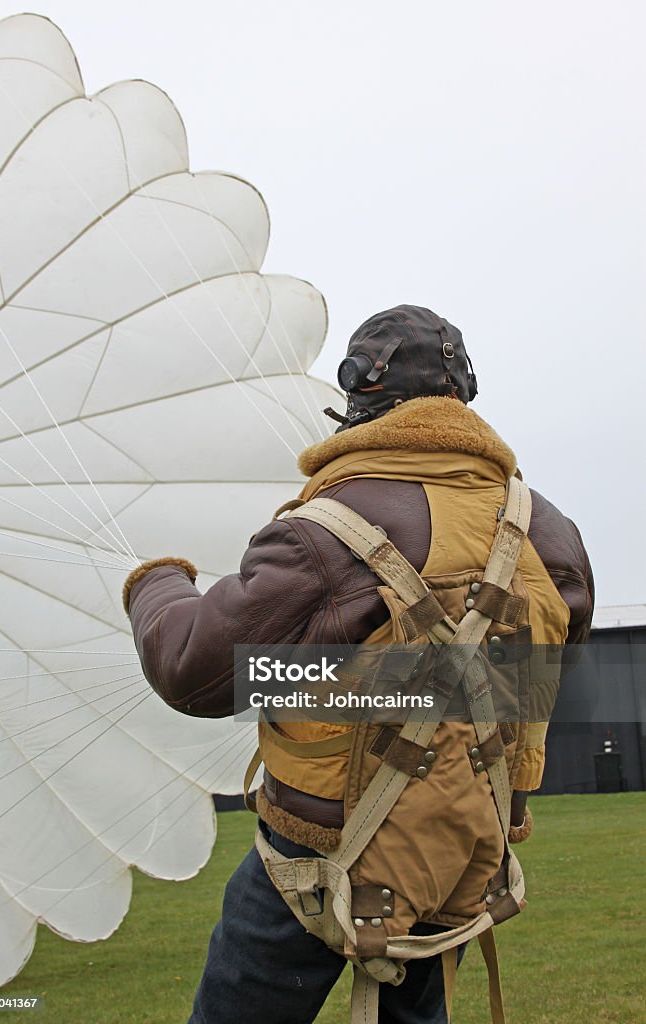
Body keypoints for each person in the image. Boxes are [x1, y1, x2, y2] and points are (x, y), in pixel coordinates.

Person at [123, 305, 594, 1024]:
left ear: (357, 397)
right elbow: (530, 676)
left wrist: (156, 581)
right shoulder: (549, 530)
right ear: (460, 394)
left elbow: (192, 673)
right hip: (460, 855)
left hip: (312, 861)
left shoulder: (321, 530)